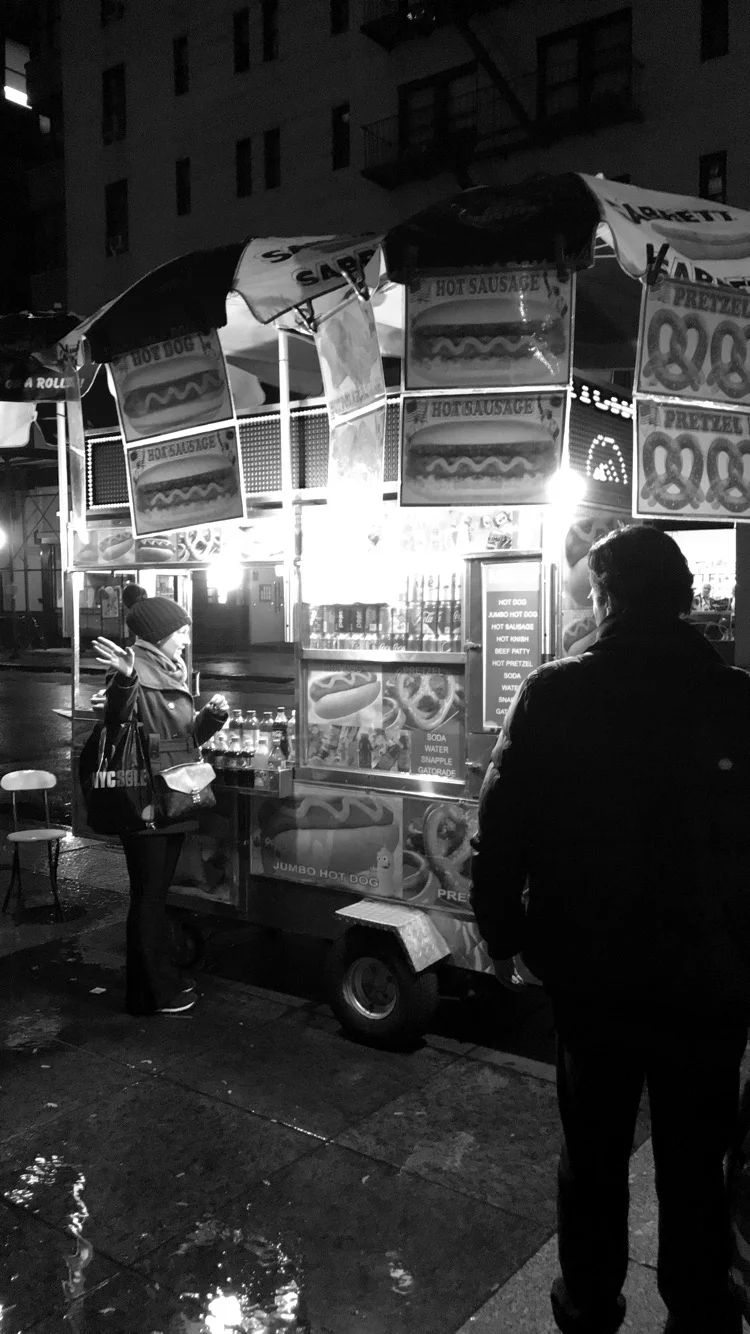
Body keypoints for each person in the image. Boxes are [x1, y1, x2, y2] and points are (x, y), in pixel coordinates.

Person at [470, 525, 750, 1334]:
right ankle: (699, 1311)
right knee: (697, 1161)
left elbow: (502, 823)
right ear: (688, 602)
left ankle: (587, 1304)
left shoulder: (555, 692)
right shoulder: (739, 700)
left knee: (591, 1155)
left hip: (594, 975)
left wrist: (503, 933)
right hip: (712, 977)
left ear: (603, 599)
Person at [93, 584, 228, 1017]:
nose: (187, 638)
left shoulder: (171, 670)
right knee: (148, 897)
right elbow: (117, 720)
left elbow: (181, 743)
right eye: (182, 631)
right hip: (147, 800)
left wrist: (212, 718)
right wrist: (125, 680)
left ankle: (153, 986)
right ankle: (152, 994)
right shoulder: (135, 670)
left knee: (154, 895)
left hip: (172, 794)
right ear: (163, 633)